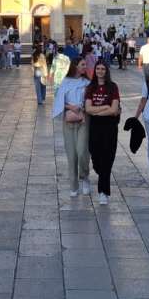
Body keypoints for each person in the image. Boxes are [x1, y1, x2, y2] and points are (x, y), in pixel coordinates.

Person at [54, 59, 91, 197]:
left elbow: (91, 100)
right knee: (71, 154)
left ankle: (85, 176)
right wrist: (71, 107)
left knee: (82, 151)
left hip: (84, 120)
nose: (85, 67)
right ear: (75, 66)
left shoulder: (87, 83)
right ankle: (73, 185)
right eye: (82, 64)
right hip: (68, 120)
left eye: (85, 64)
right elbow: (58, 102)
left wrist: (82, 108)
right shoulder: (64, 82)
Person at [85, 61, 120, 205]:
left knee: (107, 158)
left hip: (110, 127)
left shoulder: (113, 87)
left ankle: (103, 192)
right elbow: (88, 109)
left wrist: (98, 110)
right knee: (96, 156)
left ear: (106, 71)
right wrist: (105, 106)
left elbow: (114, 110)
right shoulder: (90, 87)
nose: (100, 71)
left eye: (103, 69)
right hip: (95, 127)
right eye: (98, 68)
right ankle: (101, 173)